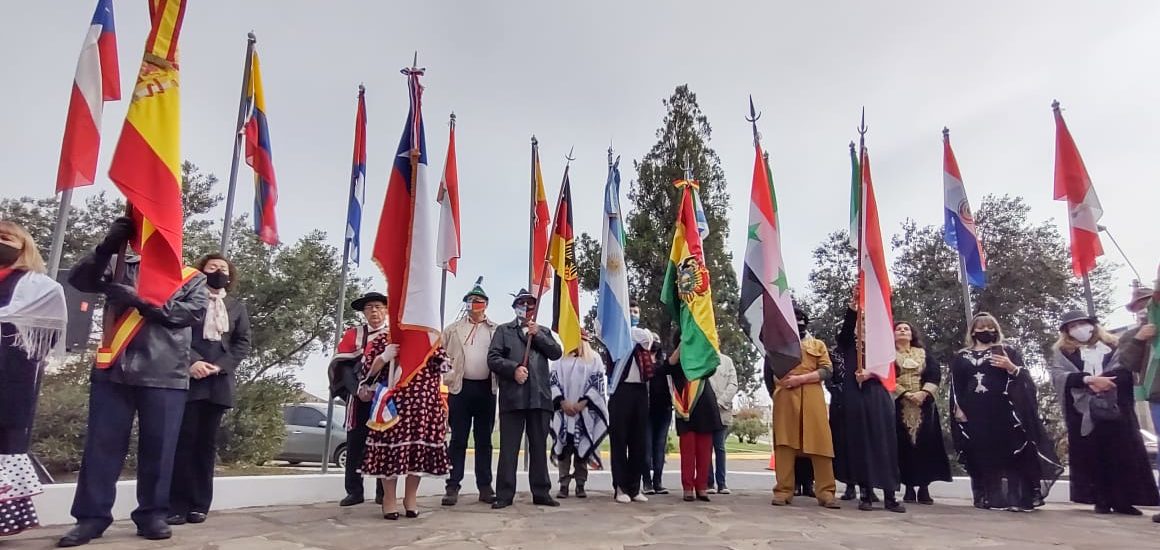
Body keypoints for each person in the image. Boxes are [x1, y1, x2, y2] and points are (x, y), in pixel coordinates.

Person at [60, 217, 208, 547]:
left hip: (166, 372)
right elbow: (80, 280)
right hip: (114, 368)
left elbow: (189, 314)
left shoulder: (190, 277)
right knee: (100, 449)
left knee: (159, 449)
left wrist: (140, 301)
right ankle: (90, 518)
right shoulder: (118, 263)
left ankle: (153, 514)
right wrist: (107, 246)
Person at [167, 254, 252, 526]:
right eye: (212, 267)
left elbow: (242, 343)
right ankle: (176, 505)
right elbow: (175, 332)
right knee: (184, 441)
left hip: (218, 382)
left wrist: (220, 366)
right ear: (200, 271)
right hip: (188, 378)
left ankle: (200, 504)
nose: (218, 272)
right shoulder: (188, 298)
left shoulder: (236, 305)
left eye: (223, 269)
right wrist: (193, 362)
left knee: (206, 445)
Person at [1048, 309, 1158, 515]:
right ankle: (1101, 500)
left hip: (1117, 410)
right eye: (1073, 326)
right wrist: (1089, 380)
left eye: (1082, 324)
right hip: (1084, 413)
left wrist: (1106, 381)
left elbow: (1127, 368)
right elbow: (1059, 376)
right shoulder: (1064, 353)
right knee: (1094, 456)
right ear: (1066, 332)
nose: (1078, 329)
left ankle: (1125, 501)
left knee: (1123, 456)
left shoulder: (1113, 346)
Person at [949, 312, 1062, 513]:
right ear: (973, 331)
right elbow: (956, 385)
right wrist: (958, 408)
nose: (986, 331)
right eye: (981, 328)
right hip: (975, 412)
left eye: (990, 327)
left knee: (1015, 452)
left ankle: (1019, 499)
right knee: (982, 452)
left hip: (1005, 410)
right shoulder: (961, 356)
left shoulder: (1007, 351)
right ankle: (989, 497)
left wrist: (1010, 367)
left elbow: (1024, 377)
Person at [0, 221, 66, 538]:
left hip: (11, 373)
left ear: (23, 246)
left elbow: (47, 335)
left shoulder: (40, 287)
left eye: (5, 238)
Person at [359, 327, 451, 520]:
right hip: (394, 405)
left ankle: (410, 499)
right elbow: (367, 371)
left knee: (416, 455)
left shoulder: (430, 338)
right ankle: (389, 500)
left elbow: (444, 368)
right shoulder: (387, 337)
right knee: (391, 454)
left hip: (424, 406)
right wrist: (384, 356)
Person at [487, 289, 563, 509]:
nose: (526, 308)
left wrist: (537, 334)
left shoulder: (543, 331)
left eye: (530, 304)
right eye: (522, 304)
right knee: (509, 449)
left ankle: (541, 491)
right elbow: (493, 358)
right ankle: (504, 494)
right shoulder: (503, 331)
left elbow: (556, 353)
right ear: (515, 307)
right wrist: (513, 370)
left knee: (539, 447)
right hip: (513, 398)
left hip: (539, 398)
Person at [830, 299, 904, 512]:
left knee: (884, 443)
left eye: (866, 319)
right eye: (859, 320)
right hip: (855, 396)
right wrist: (852, 310)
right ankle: (865, 494)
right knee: (860, 444)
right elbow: (843, 334)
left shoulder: (883, 344)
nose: (862, 323)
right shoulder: (848, 343)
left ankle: (890, 495)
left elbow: (893, 371)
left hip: (878, 394)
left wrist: (871, 373)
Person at [769, 307, 840, 509]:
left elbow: (827, 370)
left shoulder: (817, 344)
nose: (798, 323)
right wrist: (780, 385)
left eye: (801, 320)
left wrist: (802, 379)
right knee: (784, 445)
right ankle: (783, 491)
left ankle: (826, 492)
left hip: (812, 398)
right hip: (785, 397)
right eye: (794, 319)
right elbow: (770, 372)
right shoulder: (778, 346)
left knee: (821, 444)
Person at [327, 292, 390, 507]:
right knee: (355, 446)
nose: (374, 311)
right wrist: (357, 390)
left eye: (379, 307)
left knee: (385, 446)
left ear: (386, 310)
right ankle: (354, 491)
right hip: (359, 399)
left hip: (384, 400)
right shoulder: (353, 335)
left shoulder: (394, 336)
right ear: (364, 312)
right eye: (370, 307)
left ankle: (384, 493)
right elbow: (342, 365)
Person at [440, 278, 498, 506]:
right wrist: (448, 375)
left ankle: (485, 487)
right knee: (458, 439)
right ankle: (452, 486)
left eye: (480, 301)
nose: (476, 304)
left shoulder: (496, 330)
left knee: (484, 440)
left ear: (486, 304)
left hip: (486, 389)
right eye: (472, 300)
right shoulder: (453, 330)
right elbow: (439, 355)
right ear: (466, 303)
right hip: (460, 389)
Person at [1113, 274, 1160, 523]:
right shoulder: (1131, 336)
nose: (1143, 311)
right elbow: (1127, 364)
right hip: (1156, 394)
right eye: (1139, 307)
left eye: (1147, 305)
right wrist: (1140, 339)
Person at [892, 320, 951, 505]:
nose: (902, 331)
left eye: (906, 329)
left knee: (926, 446)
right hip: (899, 405)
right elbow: (887, 378)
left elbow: (934, 375)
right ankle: (909, 488)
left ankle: (924, 488)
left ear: (912, 334)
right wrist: (906, 393)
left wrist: (923, 393)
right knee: (903, 447)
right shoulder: (888, 356)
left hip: (924, 407)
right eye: (899, 329)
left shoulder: (925, 355)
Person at [661, 330, 723, 502]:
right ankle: (687, 487)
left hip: (705, 406)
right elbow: (667, 367)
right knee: (688, 451)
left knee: (704, 451)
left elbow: (712, 365)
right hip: (686, 407)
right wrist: (682, 345)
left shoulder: (701, 357)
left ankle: (702, 487)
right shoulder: (677, 357)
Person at [549, 330, 609, 499]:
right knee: (564, 449)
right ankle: (563, 485)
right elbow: (553, 381)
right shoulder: (560, 360)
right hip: (564, 412)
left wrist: (582, 403)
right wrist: (562, 402)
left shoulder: (594, 359)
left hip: (585, 413)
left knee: (582, 450)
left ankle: (580, 484)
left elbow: (597, 383)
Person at [607, 301, 657, 504]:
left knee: (639, 442)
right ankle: (620, 487)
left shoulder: (641, 335)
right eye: (630, 312)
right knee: (619, 441)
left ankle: (635, 488)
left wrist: (629, 329)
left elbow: (647, 338)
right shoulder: (615, 336)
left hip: (639, 392)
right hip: (620, 391)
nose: (634, 314)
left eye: (636, 312)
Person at [634, 301, 671, 496]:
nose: (654, 343)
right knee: (646, 448)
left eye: (656, 340)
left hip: (663, 410)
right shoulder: (642, 360)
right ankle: (646, 482)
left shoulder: (665, 363)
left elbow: (670, 369)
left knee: (659, 448)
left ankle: (658, 481)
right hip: (646, 410)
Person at [705, 352, 737, 495]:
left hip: (722, 410)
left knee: (720, 447)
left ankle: (722, 483)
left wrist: (721, 401)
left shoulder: (727, 361)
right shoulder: (703, 359)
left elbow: (733, 384)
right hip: (706, 410)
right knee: (706, 448)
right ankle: (709, 483)